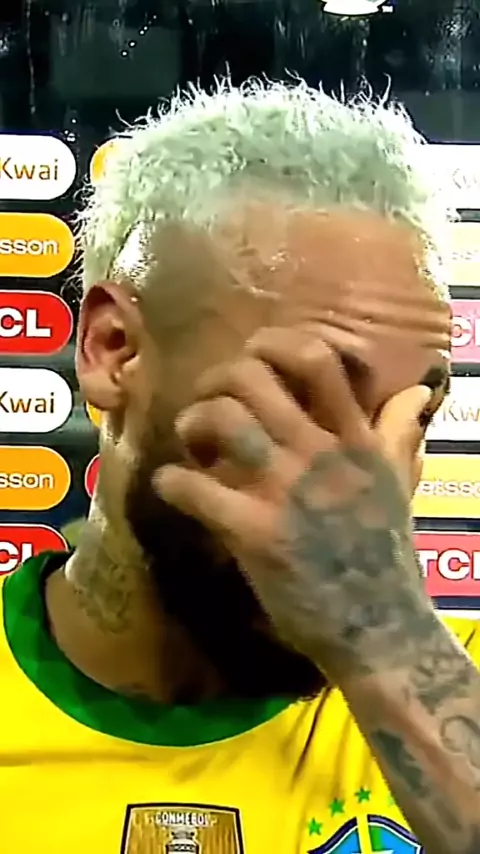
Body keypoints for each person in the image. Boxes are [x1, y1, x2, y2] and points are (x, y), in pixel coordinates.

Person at [1, 80, 477, 854]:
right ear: (113, 351)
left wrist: (382, 636)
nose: (376, 494)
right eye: (308, 399)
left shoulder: (460, 681)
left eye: (413, 417)